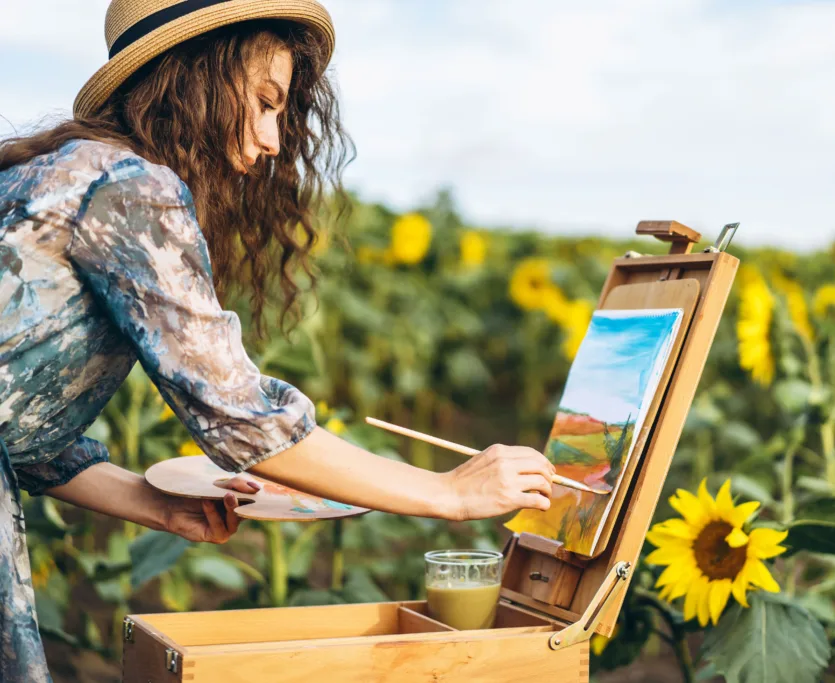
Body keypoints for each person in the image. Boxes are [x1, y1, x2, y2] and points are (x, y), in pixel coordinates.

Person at [0, 1, 555, 680]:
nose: (270, 139)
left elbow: (22, 433)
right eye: (265, 103)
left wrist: (155, 504)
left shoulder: (58, 170)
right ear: (196, 76)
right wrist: (451, 493)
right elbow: (242, 417)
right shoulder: (130, 188)